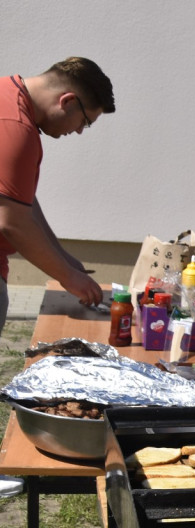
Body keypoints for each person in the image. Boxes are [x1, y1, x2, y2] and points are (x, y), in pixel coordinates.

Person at [0, 57, 110, 334]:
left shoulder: (8, 97)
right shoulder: (15, 126)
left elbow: (18, 200)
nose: (79, 131)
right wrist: (68, 277)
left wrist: (62, 257)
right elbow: (12, 223)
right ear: (68, 101)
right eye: (85, 121)